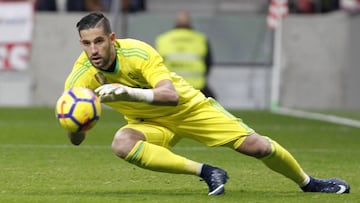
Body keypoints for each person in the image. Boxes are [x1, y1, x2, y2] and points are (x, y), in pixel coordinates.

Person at [63, 12, 350, 196]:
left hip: (189, 109)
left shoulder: (138, 53)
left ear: (112, 39)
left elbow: (170, 96)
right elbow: (75, 139)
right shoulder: (80, 76)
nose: (93, 50)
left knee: (258, 147)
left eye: (99, 41)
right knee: (121, 143)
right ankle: (208, 172)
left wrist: (127, 93)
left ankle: (308, 182)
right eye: (86, 44)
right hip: (148, 124)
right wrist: (78, 122)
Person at [155, 10, 216, 98]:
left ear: (175, 23)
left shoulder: (162, 39)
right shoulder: (200, 39)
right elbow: (208, 62)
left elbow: (157, 64)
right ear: (190, 23)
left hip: (172, 86)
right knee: (213, 106)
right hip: (197, 87)